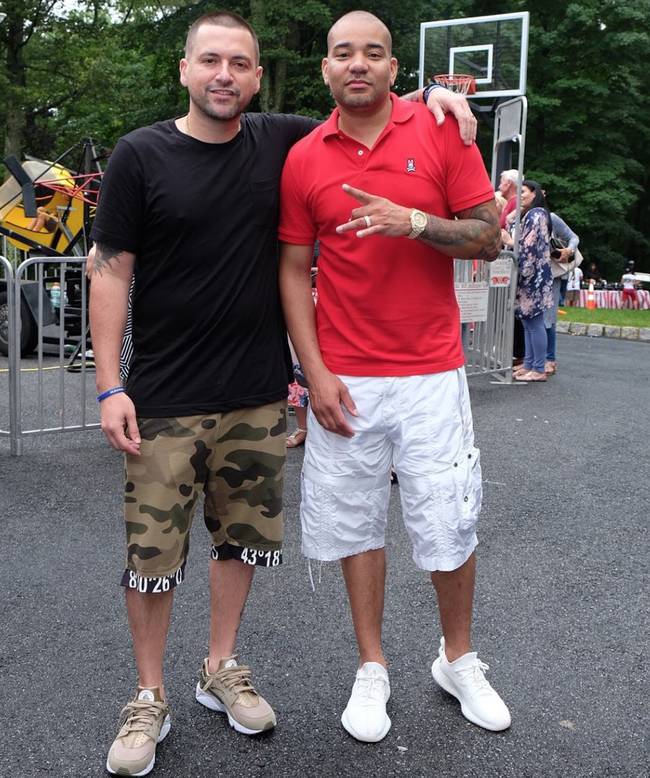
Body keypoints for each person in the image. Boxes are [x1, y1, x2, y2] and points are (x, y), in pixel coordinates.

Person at [88, 9, 478, 776]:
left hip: (257, 395)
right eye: (210, 61)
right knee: (152, 555)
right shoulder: (141, 155)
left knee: (239, 545)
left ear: (258, 77)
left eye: (239, 63)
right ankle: (148, 694)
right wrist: (109, 386)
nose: (224, 75)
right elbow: (110, 268)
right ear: (185, 69)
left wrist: (436, 94)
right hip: (163, 395)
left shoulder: (281, 143)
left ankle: (220, 667)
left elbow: (366, 106)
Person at [278, 10, 510, 745]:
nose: (358, 64)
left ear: (392, 68)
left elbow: (489, 235)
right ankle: (371, 666)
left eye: (373, 53)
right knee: (355, 522)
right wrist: (313, 373)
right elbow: (292, 269)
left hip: (431, 371)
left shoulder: (442, 131)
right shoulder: (304, 155)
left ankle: (457, 658)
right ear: (325, 68)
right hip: (345, 377)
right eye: (344, 53)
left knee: (449, 518)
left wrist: (414, 223)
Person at [502, 180, 554, 382]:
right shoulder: (534, 214)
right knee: (528, 322)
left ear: (535, 193)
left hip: (533, 276)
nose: (519, 195)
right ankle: (530, 364)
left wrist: (509, 242)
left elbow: (528, 246)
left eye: (523, 192)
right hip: (533, 274)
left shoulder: (536, 214)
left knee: (534, 323)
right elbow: (525, 240)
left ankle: (538, 368)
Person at [545, 211, 580, 375]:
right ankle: (532, 359)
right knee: (532, 320)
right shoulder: (519, 217)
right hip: (531, 276)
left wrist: (569, 250)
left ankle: (550, 359)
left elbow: (574, 237)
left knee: (548, 317)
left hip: (552, 274)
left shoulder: (550, 218)